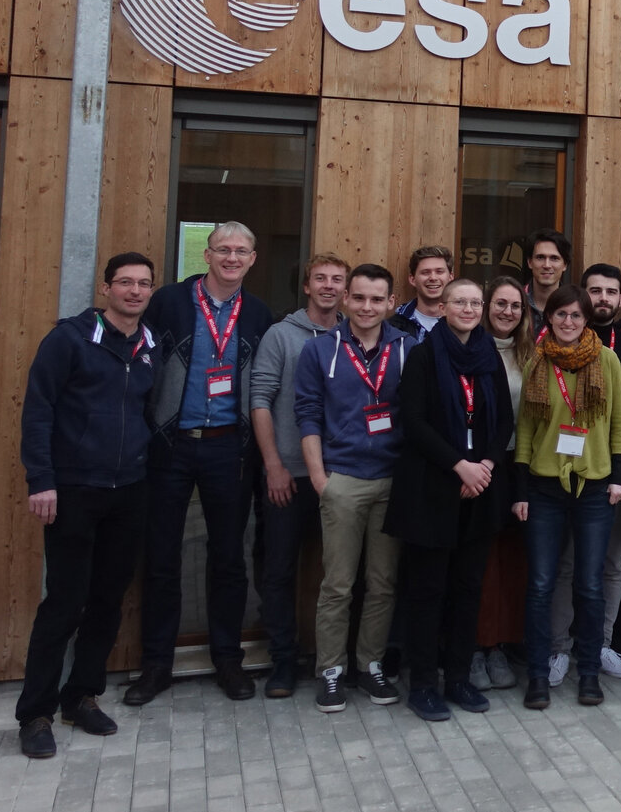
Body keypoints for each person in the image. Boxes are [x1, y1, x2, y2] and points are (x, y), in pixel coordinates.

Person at [16, 253, 159, 758]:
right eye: (125, 283)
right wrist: (42, 480)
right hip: (74, 490)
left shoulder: (149, 344)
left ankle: (82, 696)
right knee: (64, 603)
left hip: (130, 490)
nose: (135, 292)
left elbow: (145, 411)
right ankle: (35, 712)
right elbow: (38, 412)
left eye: (144, 284)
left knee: (106, 600)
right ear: (106, 288)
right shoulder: (69, 340)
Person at [126, 222, 274, 707]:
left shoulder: (258, 314)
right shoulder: (167, 301)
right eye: (223, 250)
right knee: (162, 556)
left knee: (229, 558)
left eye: (241, 251)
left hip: (228, 447)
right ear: (206, 255)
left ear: (253, 259)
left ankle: (228, 659)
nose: (232, 258)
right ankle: (156, 665)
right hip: (170, 444)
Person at [387, 279, 515, 721]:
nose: (468, 308)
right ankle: (424, 683)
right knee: (428, 590)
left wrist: (485, 468)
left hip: (480, 490)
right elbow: (415, 422)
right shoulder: (424, 355)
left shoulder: (488, 358)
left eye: (474, 302)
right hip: (432, 488)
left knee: (468, 588)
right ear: (442, 307)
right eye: (459, 301)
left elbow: (503, 424)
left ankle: (458, 677)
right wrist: (460, 466)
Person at [296, 263, 412, 711]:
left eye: (376, 299)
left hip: (390, 480)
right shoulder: (320, 350)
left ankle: (370, 665)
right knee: (337, 584)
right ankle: (331, 671)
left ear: (390, 303)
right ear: (346, 299)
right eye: (359, 297)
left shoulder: (407, 348)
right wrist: (320, 479)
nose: (367, 307)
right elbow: (306, 413)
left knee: (383, 583)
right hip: (341, 479)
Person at [513, 286, 621, 708]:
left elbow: (620, 422)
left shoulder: (608, 360)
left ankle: (588, 673)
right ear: (549, 318)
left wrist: (620, 476)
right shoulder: (537, 361)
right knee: (542, 583)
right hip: (544, 489)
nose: (567, 322)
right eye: (560, 315)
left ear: (587, 321)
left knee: (590, 583)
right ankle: (539, 675)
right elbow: (525, 428)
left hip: (596, 487)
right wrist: (521, 487)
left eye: (575, 316)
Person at [248, 252, 347, 700]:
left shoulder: (355, 334)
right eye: (320, 279)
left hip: (342, 476)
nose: (329, 286)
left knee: (342, 573)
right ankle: (283, 661)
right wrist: (273, 465)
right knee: (279, 570)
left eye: (337, 280)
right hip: (288, 474)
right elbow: (260, 400)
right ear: (306, 286)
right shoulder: (279, 336)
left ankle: (335, 661)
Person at [542, 260, 621, 684]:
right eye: (593, 291)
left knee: (610, 567)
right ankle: (560, 648)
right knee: (566, 566)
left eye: (609, 292)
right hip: (558, 479)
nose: (602, 298)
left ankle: (599, 645)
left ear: (619, 299)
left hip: (606, 476)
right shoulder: (544, 355)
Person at [470, 275, 534, 693]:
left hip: (521, 463)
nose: (507, 311)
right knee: (481, 559)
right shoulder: (470, 348)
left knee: (513, 560)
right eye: (500, 303)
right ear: (486, 306)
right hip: (480, 465)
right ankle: (476, 644)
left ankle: (501, 645)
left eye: (515, 306)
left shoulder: (532, 354)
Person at [392, 246, 453, 343]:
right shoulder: (393, 327)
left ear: (450, 277)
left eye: (439, 272)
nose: (433, 278)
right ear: (412, 279)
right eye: (425, 272)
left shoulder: (463, 320)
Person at [525, 229, 572, 323]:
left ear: (565, 265)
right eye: (540, 257)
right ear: (530, 262)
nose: (547, 265)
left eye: (554, 258)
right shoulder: (515, 301)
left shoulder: (574, 305)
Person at [582, 263, 621, 346]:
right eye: (596, 291)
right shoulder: (565, 341)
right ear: (582, 295)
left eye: (611, 292)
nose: (603, 298)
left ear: (620, 300)